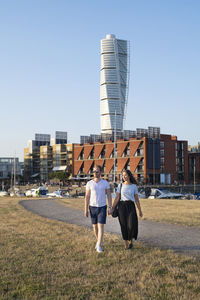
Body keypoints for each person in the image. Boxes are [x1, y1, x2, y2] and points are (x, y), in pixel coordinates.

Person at [112, 169, 143, 249]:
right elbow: (117, 198)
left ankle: (131, 240)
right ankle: (126, 244)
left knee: (131, 224)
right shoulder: (120, 185)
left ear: (129, 176)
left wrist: (139, 210)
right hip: (122, 206)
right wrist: (112, 208)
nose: (124, 177)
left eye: (125, 175)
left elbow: (136, 199)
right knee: (124, 226)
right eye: (123, 175)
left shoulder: (134, 186)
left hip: (131, 206)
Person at [84, 165, 112, 253]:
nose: (95, 173)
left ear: (101, 172)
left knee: (100, 226)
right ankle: (99, 241)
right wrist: (86, 209)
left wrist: (110, 207)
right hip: (92, 207)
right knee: (94, 227)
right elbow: (87, 196)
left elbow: (109, 195)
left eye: (97, 171)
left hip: (102, 207)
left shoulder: (105, 183)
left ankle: (99, 246)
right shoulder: (89, 183)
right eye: (94, 171)